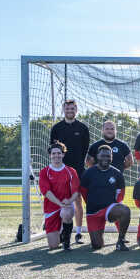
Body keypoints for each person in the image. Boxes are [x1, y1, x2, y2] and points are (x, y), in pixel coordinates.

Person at [50, 99, 90, 244]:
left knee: (78, 201)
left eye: (72, 109)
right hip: (61, 171)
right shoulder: (56, 128)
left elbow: (85, 149)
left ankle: (78, 233)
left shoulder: (83, 128)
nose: (70, 111)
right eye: (67, 109)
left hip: (78, 171)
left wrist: (79, 166)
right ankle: (61, 232)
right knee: (61, 201)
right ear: (63, 110)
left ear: (76, 110)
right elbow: (54, 150)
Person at [79, 145, 130, 251]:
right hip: (93, 212)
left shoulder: (117, 173)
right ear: (97, 156)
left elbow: (121, 194)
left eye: (108, 156)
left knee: (124, 210)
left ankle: (121, 241)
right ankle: (98, 236)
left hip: (109, 209)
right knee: (97, 245)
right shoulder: (89, 172)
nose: (105, 158)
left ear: (112, 157)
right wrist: (92, 203)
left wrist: (114, 205)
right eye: (103, 155)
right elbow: (83, 192)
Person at [38, 142, 80, 250]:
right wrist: (59, 203)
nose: (56, 155)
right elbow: (46, 192)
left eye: (59, 153)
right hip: (51, 207)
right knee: (53, 246)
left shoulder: (71, 171)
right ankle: (61, 231)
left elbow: (76, 191)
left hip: (66, 206)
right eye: (53, 153)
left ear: (63, 154)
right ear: (50, 155)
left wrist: (69, 200)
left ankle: (66, 240)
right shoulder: (44, 172)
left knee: (66, 213)